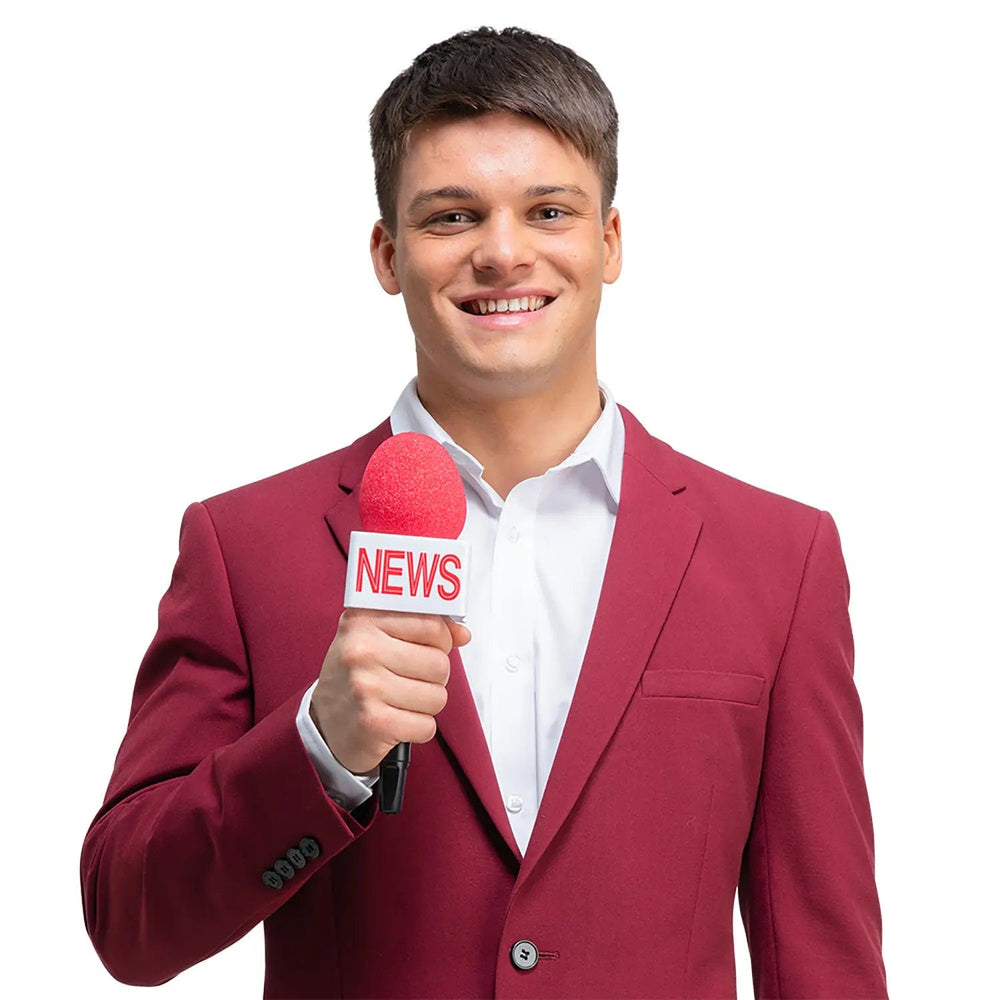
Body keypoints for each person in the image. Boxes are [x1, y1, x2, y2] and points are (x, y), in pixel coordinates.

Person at [81, 26, 888, 999]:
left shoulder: (778, 557)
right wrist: (320, 745)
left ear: (609, 241)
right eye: (451, 216)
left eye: (547, 209)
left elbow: (824, 957)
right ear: (386, 254)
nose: (502, 253)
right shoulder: (244, 547)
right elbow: (129, 924)